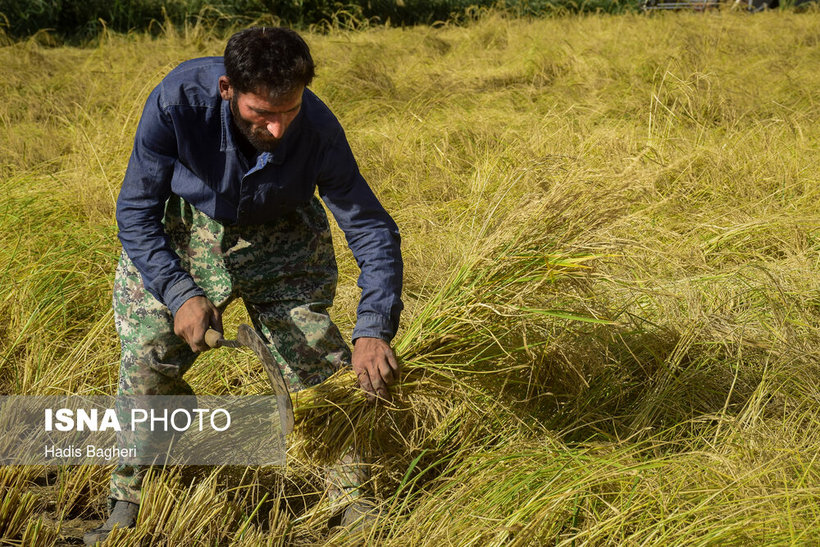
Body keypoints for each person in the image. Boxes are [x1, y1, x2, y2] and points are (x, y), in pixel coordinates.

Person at [83, 26, 403, 545]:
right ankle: (129, 497)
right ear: (228, 88)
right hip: (185, 230)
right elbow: (136, 213)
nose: (278, 129)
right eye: (262, 114)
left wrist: (373, 327)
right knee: (147, 360)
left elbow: (369, 226)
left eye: (289, 112)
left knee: (318, 359)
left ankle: (351, 494)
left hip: (284, 235)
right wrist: (180, 292)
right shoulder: (177, 102)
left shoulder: (318, 128)